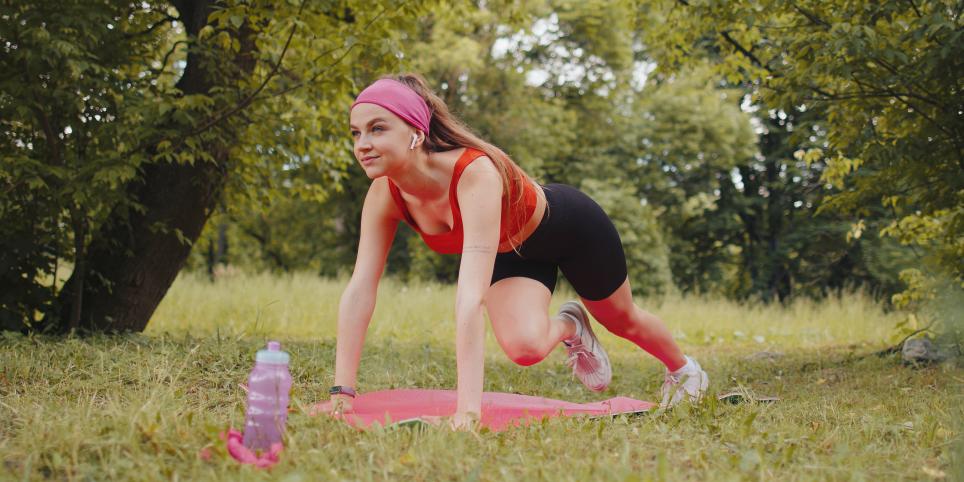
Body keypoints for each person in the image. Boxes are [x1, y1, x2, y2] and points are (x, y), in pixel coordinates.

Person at [326, 73, 708, 429]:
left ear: (416, 132)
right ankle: (571, 325)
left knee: (622, 320)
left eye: (377, 129)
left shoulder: (474, 173)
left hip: (569, 228)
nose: (362, 144)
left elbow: (470, 298)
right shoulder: (384, 194)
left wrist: (467, 414)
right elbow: (360, 288)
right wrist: (342, 394)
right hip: (510, 252)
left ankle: (685, 371)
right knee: (525, 349)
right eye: (356, 132)